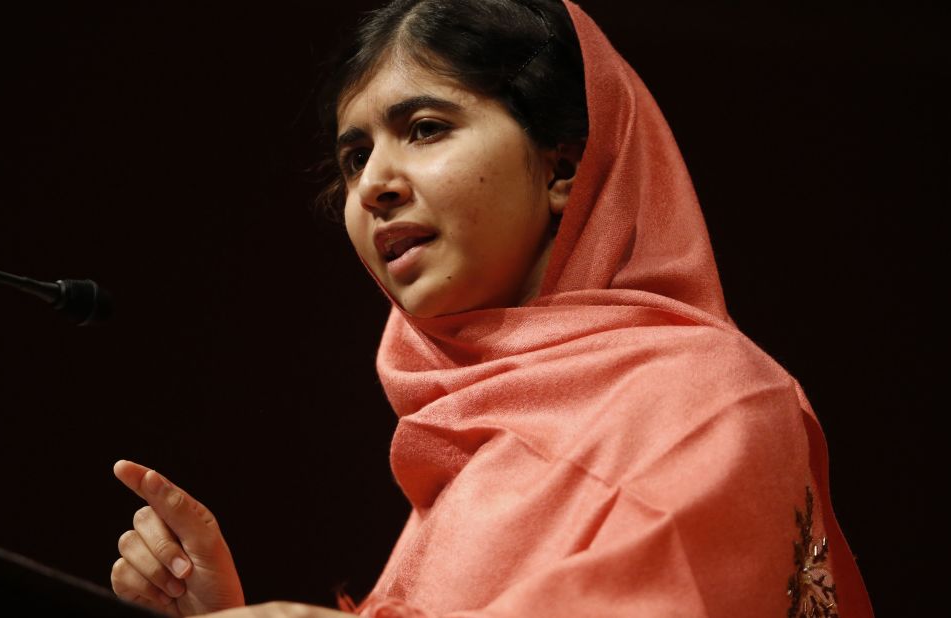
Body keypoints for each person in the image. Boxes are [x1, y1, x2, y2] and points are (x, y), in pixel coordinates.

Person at [109, 1, 875, 616]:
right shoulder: (467, 448)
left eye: (424, 129)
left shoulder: (710, 399)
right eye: (353, 158)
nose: (374, 183)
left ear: (564, 165)